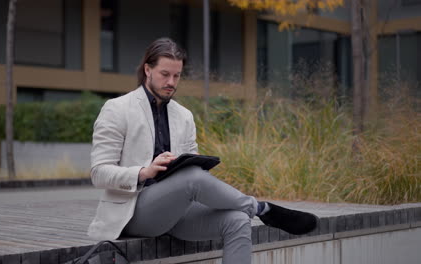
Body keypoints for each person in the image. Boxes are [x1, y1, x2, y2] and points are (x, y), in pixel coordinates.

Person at [87, 38, 317, 264]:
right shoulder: (117, 109)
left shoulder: (184, 116)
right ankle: (260, 208)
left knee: (237, 220)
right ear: (148, 69)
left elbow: (193, 172)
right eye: (165, 74)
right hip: (133, 212)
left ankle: (254, 210)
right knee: (192, 178)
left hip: (176, 212)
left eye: (177, 76)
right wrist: (144, 172)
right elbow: (98, 173)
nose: (171, 82)